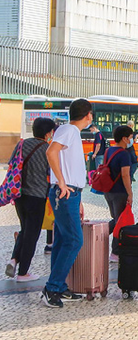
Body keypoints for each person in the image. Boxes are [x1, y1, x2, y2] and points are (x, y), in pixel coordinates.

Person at [42, 99, 93, 308]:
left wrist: (77, 199)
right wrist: (62, 182)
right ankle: (52, 287)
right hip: (64, 192)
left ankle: (59, 286)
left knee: (63, 240)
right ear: (88, 115)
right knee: (74, 240)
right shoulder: (69, 130)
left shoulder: (71, 132)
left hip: (71, 194)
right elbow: (50, 152)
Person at [5, 118, 56, 283]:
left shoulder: (21, 144)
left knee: (24, 229)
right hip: (37, 196)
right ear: (48, 133)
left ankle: (14, 259)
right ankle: (23, 273)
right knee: (31, 234)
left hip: (19, 195)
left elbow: (12, 163)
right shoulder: (47, 149)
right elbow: (51, 172)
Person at [103, 126, 135, 262]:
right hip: (119, 192)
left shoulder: (108, 150)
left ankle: (97, 235)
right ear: (124, 138)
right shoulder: (124, 154)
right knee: (120, 222)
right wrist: (130, 193)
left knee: (116, 219)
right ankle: (115, 252)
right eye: (130, 137)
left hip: (108, 191)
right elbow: (125, 175)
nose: (131, 139)